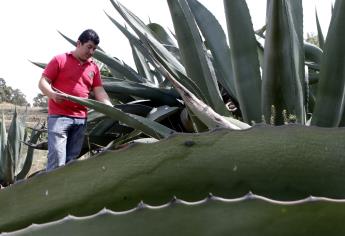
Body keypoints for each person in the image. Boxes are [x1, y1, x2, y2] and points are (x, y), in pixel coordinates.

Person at [38, 29, 112, 171]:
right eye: (89, 47)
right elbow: (42, 82)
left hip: (80, 120)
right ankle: (51, 192)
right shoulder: (60, 60)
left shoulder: (93, 68)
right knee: (57, 162)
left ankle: (65, 192)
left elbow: (99, 90)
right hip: (59, 118)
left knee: (71, 162)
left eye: (94, 49)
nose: (91, 52)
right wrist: (52, 94)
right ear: (79, 43)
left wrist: (110, 107)